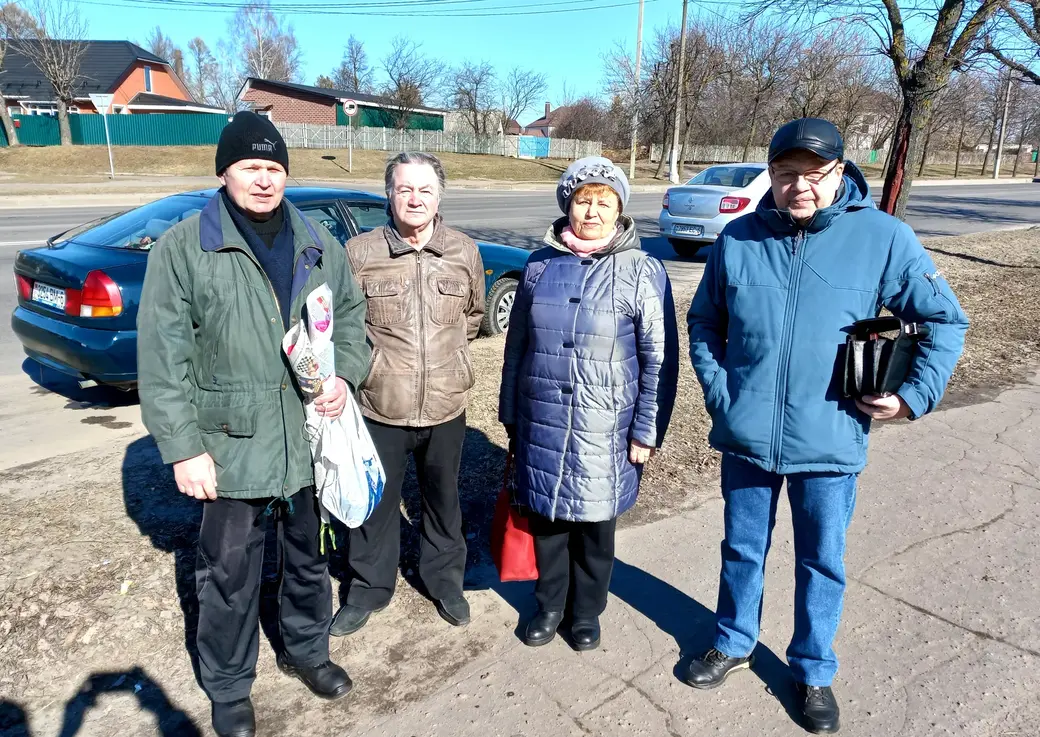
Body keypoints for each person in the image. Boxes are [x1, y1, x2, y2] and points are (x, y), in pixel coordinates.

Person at [685, 118, 968, 733]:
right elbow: (704, 322)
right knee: (742, 547)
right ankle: (734, 642)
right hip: (748, 434)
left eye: (813, 175)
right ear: (772, 176)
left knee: (822, 558)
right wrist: (721, 392)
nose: (799, 188)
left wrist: (912, 395)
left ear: (840, 173)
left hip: (832, 434)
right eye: (786, 176)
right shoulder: (739, 237)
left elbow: (945, 320)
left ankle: (812, 670)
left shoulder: (883, 238)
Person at [137, 111, 371, 737]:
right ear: (224, 172)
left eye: (274, 168)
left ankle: (307, 650)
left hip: (307, 432)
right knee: (230, 572)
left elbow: (350, 317)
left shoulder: (316, 238)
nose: (264, 180)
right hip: (230, 440)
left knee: (308, 557)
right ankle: (229, 686)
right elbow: (163, 358)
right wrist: (184, 448)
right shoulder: (185, 248)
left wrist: (344, 374)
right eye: (250, 167)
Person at [498, 156, 679, 651]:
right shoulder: (539, 266)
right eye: (583, 200)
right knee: (548, 522)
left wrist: (647, 431)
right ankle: (549, 604)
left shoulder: (643, 270)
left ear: (619, 210)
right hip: (542, 418)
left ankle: (586, 612)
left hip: (608, 427)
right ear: (567, 206)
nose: (592, 211)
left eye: (604, 202)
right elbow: (517, 347)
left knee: (596, 528)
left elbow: (659, 359)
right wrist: (511, 413)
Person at [331, 152, 486, 636]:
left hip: (445, 404)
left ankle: (444, 581)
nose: (414, 199)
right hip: (380, 405)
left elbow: (474, 316)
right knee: (374, 505)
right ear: (389, 195)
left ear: (439, 197)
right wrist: (372, 370)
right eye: (404, 189)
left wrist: (450, 363)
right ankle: (368, 589)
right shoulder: (358, 253)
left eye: (425, 190)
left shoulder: (463, 251)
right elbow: (340, 325)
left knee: (443, 500)